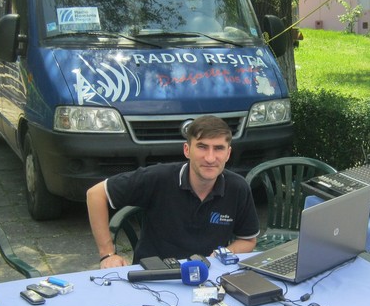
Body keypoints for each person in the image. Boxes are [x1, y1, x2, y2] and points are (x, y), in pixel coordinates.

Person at [87, 115, 260, 268]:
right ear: (187, 150)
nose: (210, 158)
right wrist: (107, 254)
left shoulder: (238, 187)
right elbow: (95, 194)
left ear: (228, 154)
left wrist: (222, 254)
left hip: (209, 276)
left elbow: (248, 240)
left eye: (218, 148)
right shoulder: (157, 177)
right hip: (154, 276)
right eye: (202, 147)